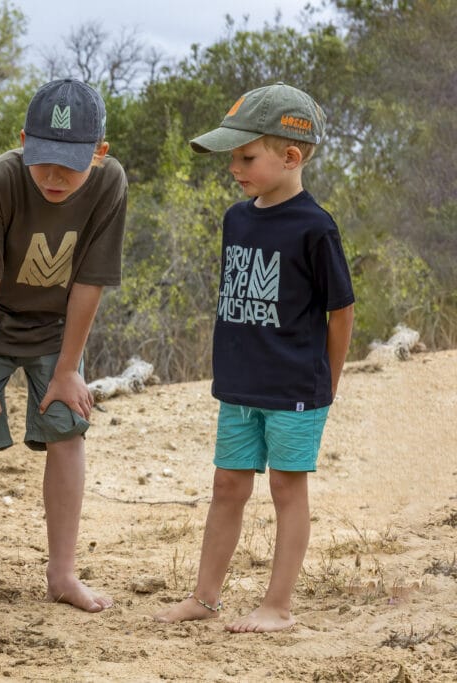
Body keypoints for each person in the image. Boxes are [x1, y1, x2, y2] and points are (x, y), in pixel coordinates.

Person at [0, 79, 127, 621]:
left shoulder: (110, 185)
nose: (55, 177)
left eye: (71, 164)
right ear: (23, 142)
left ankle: (62, 574)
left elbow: (90, 283)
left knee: (67, 425)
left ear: (99, 154)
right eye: (44, 162)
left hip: (58, 326)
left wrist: (67, 371)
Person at [153, 83, 355, 632]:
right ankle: (205, 597)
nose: (234, 168)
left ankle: (278, 606)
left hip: (295, 389)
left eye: (246, 157)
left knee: (286, 489)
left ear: (291, 156)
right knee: (227, 487)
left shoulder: (316, 227)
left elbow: (342, 311)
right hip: (240, 386)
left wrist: (327, 384)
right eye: (232, 158)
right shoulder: (236, 219)